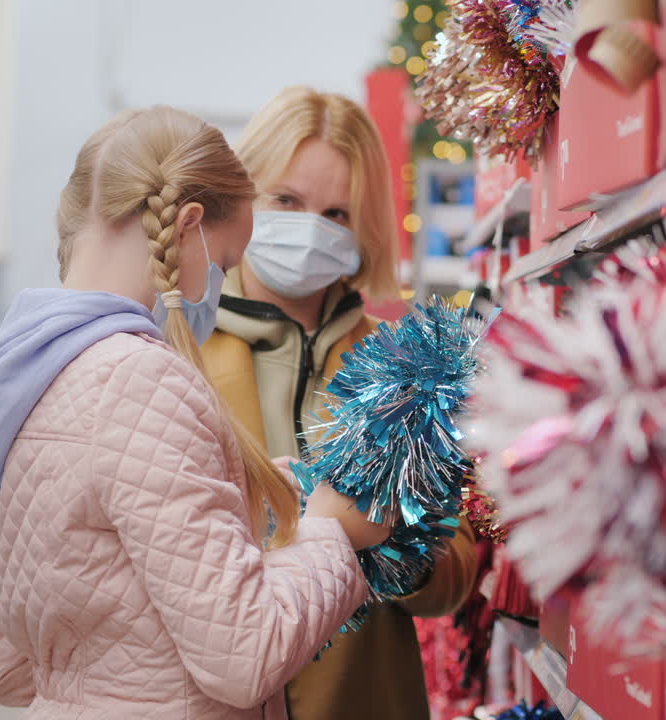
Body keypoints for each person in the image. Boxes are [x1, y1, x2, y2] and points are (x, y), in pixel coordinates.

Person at [0, 106, 389, 719]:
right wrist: (330, 531)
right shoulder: (144, 382)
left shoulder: (7, 382)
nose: (218, 287)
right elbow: (245, 655)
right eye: (222, 263)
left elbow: (7, 670)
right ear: (188, 224)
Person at [200, 86, 479, 720]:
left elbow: (457, 568)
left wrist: (393, 546)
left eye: (337, 214)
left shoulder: (405, 365)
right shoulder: (177, 351)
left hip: (362, 697)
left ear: (366, 226)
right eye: (287, 201)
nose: (309, 230)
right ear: (242, 199)